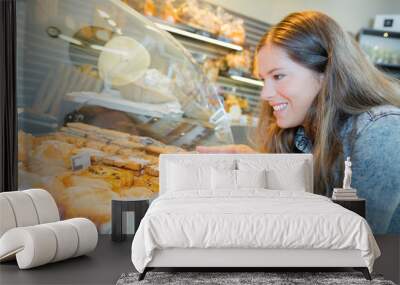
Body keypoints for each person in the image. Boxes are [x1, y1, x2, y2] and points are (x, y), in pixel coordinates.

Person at [197, 11, 400, 234]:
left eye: (278, 76)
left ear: (326, 73)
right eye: (263, 80)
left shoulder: (382, 129)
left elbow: (354, 239)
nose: (265, 94)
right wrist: (259, 169)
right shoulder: (299, 131)